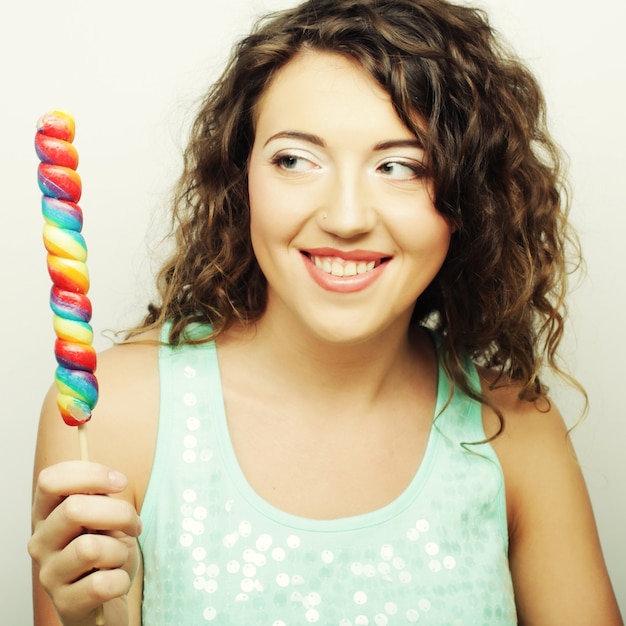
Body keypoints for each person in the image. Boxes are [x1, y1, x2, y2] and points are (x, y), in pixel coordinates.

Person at [28, 0, 623, 624]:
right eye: (294, 159)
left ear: (469, 197)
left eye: (401, 166)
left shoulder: (516, 429)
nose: (344, 217)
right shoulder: (114, 415)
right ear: (242, 179)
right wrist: (86, 618)